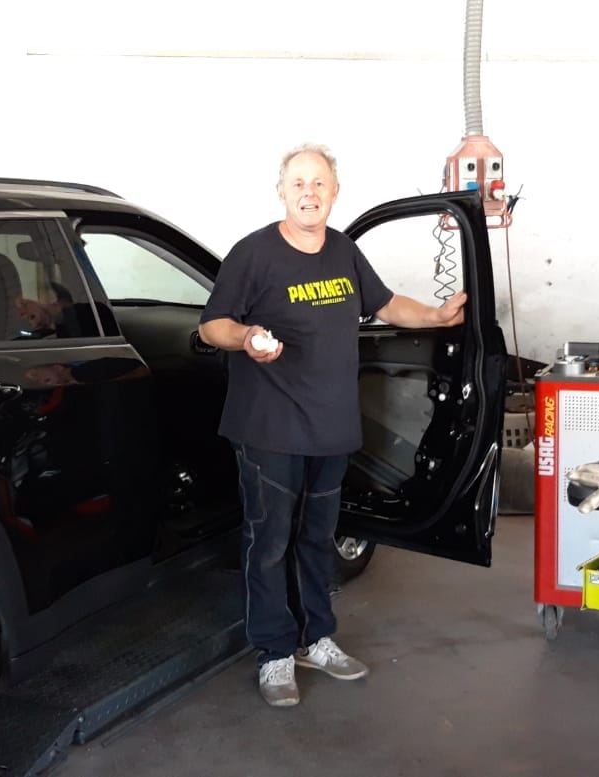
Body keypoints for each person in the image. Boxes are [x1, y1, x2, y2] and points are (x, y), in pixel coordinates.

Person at [199, 143, 467, 707]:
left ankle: (316, 638)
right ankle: (274, 652)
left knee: (318, 539)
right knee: (269, 543)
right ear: (281, 192)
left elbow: (386, 304)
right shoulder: (253, 254)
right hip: (269, 427)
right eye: (298, 183)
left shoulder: (344, 251)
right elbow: (212, 325)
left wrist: (436, 316)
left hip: (330, 428)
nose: (309, 193)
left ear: (335, 193)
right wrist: (247, 337)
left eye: (319, 183)